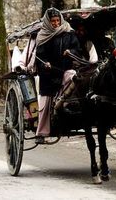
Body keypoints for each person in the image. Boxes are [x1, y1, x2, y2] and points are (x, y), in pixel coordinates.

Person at [34, 8, 81, 143]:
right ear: (48, 22)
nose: (55, 23)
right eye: (53, 21)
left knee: (74, 78)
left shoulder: (69, 32)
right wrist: (45, 64)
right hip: (49, 73)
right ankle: (41, 133)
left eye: (57, 20)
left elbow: (77, 49)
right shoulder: (43, 35)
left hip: (66, 69)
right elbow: (39, 55)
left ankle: (68, 108)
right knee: (46, 100)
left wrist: (70, 51)